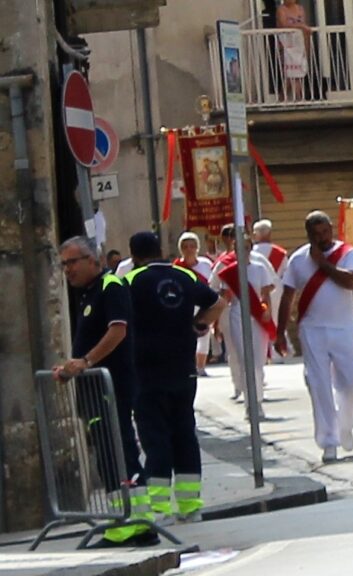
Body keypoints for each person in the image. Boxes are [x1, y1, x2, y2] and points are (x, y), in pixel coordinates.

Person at [54, 236, 151, 547]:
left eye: (72, 262)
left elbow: (118, 330)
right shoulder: (88, 294)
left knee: (116, 453)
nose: (67, 269)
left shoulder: (111, 287)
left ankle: (124, 525)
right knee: (114, 453)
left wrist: (85, 361)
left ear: (92, 260)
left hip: (112, 386)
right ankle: (137, 522)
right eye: (64, 264)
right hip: (96, 387)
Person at [124, 232, 226, 526]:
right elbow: (218, 303)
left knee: (155, 436)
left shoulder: (131, 281)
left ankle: (159, 507)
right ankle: (190, 505)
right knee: (184, 433)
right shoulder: (184, 276)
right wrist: (199, 323)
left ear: (134, 256)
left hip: (147, 372)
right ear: (160, 250)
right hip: (183, 368)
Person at [276, 211, 353, 462]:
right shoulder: (297, 259)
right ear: (308, 235)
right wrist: (280, 331)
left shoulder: (347, 253)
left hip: (343, 327)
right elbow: (287, 296)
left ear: (331, 229)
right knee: (319, 384)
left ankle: (344, 426)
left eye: (326, 232)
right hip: (312, 329)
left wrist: (323, 264)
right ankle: (329, 441)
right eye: (316, 234)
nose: (322, 237)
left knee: (350, 384)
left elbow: (350, 282)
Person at [210, 236, 276, 417]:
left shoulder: (260, 269)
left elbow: (265, 293)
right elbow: (224, 297)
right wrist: (214, 321)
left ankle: (258, 399)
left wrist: (267, 310)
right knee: (245, 359)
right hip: (238, 315)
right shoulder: (229, 272)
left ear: (251, 249)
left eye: (246, 248)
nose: (243, 251)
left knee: (258, 361)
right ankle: (251, 403)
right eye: (239, 248)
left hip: (257, 317)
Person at [174, 232, 215, 377]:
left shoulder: (206, 264)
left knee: (204, 334)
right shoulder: (176, 266)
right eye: (185, 246)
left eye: (192, 246)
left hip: (203, 304)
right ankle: (188, 366)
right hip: (185, 305)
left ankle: (201, 367)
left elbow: (213, 282)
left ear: (197, 248)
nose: (189, 249)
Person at [252, 219, 290, 363]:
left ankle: (262, 354)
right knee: (275, 320)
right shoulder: (280, 252)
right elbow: (286, 273)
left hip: (257, 288)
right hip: (276, 287)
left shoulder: (251, 253)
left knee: (259, 321)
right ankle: (277, 353)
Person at [276, 0, 311, 102]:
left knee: (298, 73)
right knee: (289, 74)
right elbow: (283, 24)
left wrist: (306, 45)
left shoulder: (300, 8)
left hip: (298, 43)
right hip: (287, 44)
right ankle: (285, 99)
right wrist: (300, 26)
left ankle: (298, 98)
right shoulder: (281, 9)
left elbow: (304, 26)